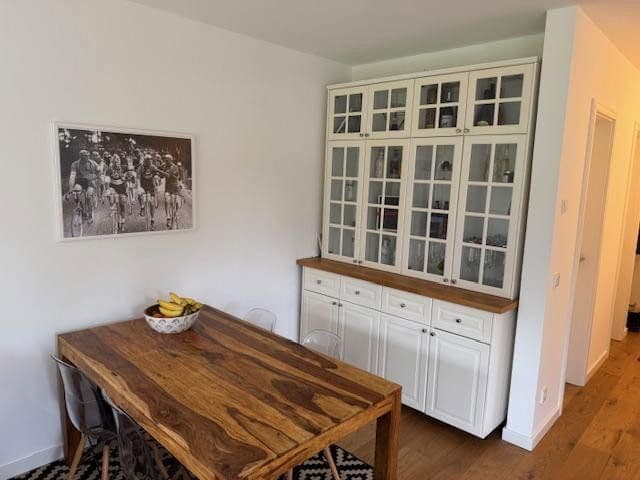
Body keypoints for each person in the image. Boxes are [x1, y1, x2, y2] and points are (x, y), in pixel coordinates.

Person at [136, 154, 168, 230]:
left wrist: (162, 175)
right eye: (148, 160)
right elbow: (138, 179)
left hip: (151, 187)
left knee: (152, 203)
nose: (149, 162)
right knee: (139, 195)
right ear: (145, 161)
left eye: (150, 160)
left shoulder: (152, 166)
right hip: (143, 186)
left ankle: (152, 219)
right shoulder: (140, 168)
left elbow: (158, 171)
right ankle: (142, 207)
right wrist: (139, 187)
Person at [68, 150, 100, 223]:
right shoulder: (75, 164)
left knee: (88, 195)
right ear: (81, 156)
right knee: (76, 192)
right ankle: (82, 210)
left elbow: (99, 170)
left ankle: (90, 214)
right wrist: (70, 188)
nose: (87, 157)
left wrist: (97, 176)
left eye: (88, 156)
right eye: (85, 156)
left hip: (90, 181)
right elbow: (72, 176)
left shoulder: (92, 163)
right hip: (80, 181)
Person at [105, 154, 128, 232]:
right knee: (110, 193)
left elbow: (130, 175)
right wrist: (107, 189)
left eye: (118, 160)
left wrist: (126, 177)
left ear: (120, 161)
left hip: (122, 188)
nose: (116, 162)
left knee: (122, 204)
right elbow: (107, 179)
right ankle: (112, 206)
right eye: (115, 161)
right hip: (113, 187)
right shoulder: (110, 169)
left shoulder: (124, 167)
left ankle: (123, 221)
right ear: (112, 162)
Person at [162, 154, 183, 228]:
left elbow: (170, 175)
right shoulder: (164, 167)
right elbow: (161, 175)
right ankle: (168, 216)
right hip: (168, 188)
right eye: (165, 160)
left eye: (167, 160)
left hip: (175, 188)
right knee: (166, 200)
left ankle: (176, 213)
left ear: (170, 160)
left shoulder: (175, 167)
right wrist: (157, 176)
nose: (166, 161)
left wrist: (180, 184)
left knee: (177, 203)